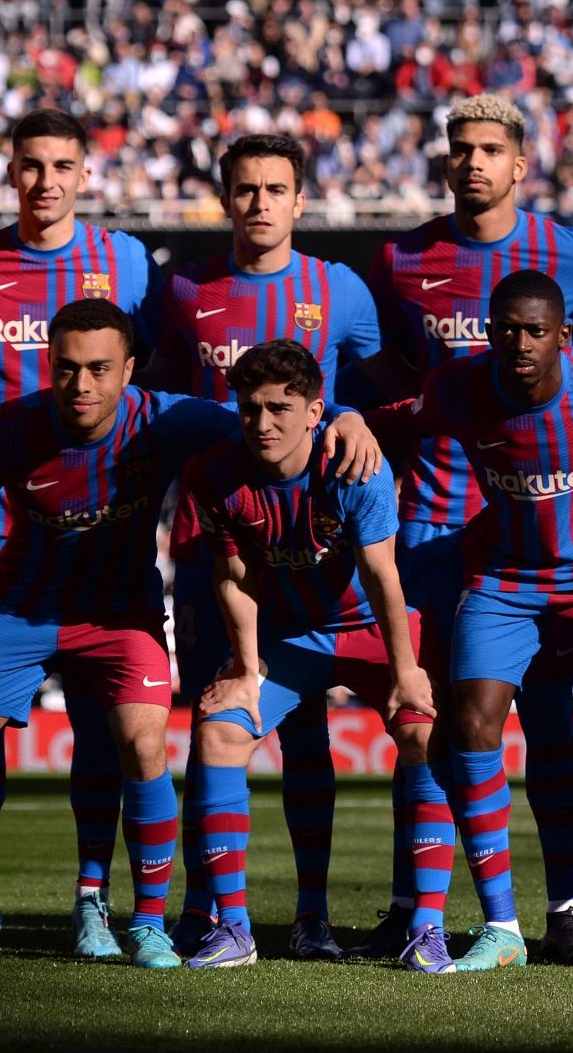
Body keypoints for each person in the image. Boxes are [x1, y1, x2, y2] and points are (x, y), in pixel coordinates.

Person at [0, 302, 383, 968]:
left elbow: (271, 417)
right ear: (49, 366)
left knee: (144, 744)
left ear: (130, 370)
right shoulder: (6, 430)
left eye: (100, 369)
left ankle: (145, 925)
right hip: (21, 609)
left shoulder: (165, 418)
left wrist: (346, 414)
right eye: (68, 369)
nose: (82, 385)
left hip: (120, 617)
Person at [358, 94, 573, 964]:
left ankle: (562, 909)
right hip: (438, 524)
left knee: (551, 719)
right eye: (459, 148)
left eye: (490, 149)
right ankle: (422, 909)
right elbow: (394, 376)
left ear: (521, 163)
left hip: (540, 530)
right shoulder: (404, 258)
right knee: (433, 722)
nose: (473, 162)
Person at [0, 105, 161, 960]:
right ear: (9, 173)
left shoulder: (125, 260)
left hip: (92, 535)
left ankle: (93, 899)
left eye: (62, 166)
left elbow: (148, 374)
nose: (45, 182)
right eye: (30, 166)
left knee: (103, 723)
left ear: (85, 174)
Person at [379, 270, 573, 972]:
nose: (520, 342)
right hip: (505, 577)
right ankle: (502, 927)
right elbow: (393, 414)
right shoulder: (459, 385)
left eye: (536, 330)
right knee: (473, 723)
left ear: (563, 336)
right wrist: (353, 419)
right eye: (506, 328)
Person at [150, 133, 388, 962]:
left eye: (275, 188)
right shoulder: (183, 289)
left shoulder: (341, 290)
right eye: (244, 188)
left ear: (299, 199)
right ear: (226, 196)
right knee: (212, 717)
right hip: (212, 540)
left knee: (308, 734)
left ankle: (312, 913)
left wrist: (352, 414)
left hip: (304, 549)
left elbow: (369, 389)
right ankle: (204, 909)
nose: (259, 202)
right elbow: (166, 401)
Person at [177, 340, 448, 971]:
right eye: (249, 409)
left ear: (313, 410)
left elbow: (382, 575)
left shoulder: (354, 465)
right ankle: (236, 929)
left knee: (423, 734)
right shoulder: (214, 473)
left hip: (369, 629)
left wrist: (407, 671)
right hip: (288, 637)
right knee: (218, 733)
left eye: (280, 407)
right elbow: (233, 575)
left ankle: (426, 929)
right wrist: (246, 670)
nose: (263, 423)